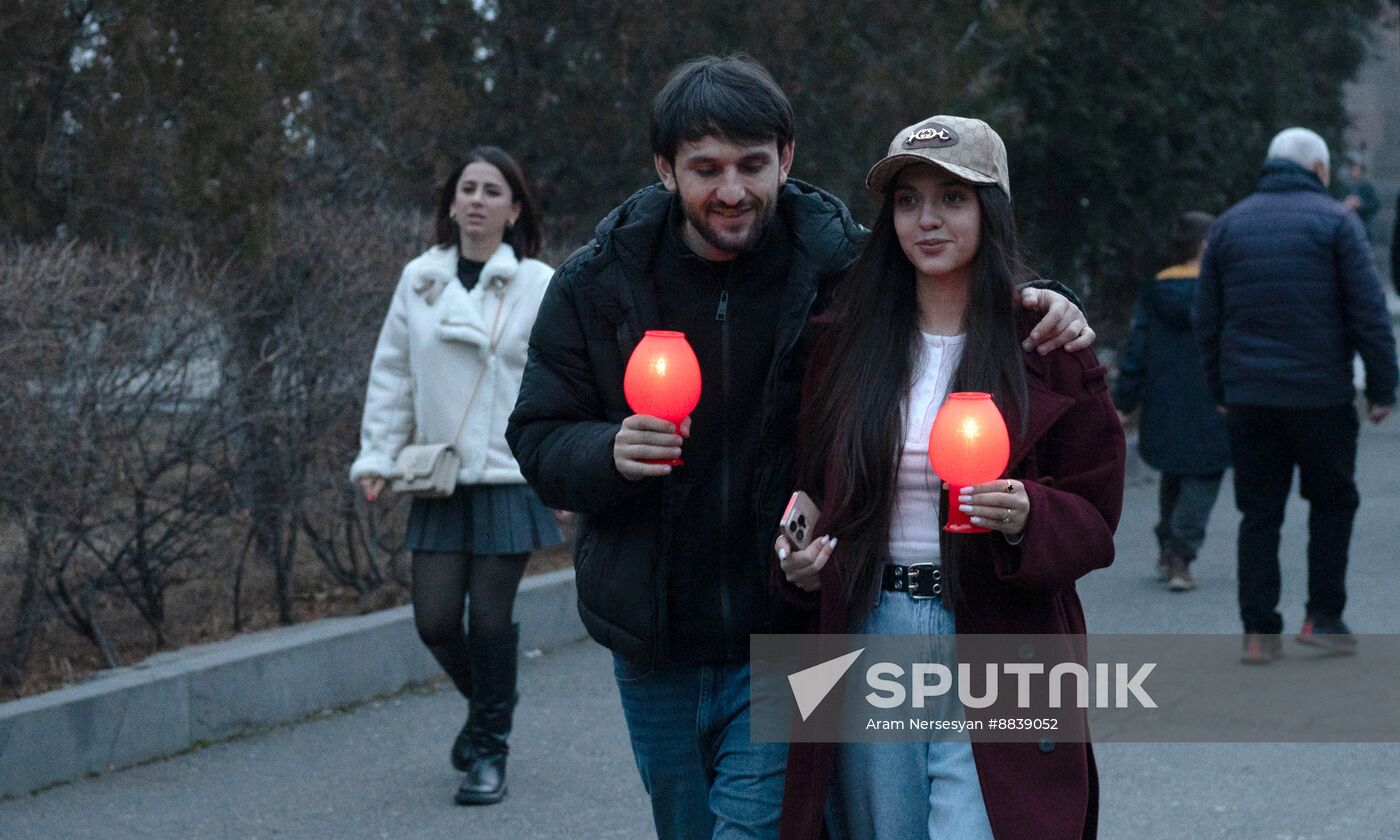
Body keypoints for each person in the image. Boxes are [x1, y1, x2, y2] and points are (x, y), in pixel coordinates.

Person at [506, 56, 1094, 840]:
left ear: (786, 157)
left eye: (753, 165)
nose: (732, 190)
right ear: (664, 169)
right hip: (656, 633)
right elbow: (537, 434)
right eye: (705, 168)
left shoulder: (835, 266)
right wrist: (607, 451)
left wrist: (1052, 302)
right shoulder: (599, 284)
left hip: (786, 630)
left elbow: (950, 266)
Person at [774, 115, 1124, 840]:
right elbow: (810, 489)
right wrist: (797, 553)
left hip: (1001, 631)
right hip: (874, 628)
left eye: (952, 198)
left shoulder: (1048, 345)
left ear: (989, 210)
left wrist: (1029, 512)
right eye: (907, 201)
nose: (927, 220)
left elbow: (1095, 520)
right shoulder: (845, 345)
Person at [350, 146, 563, 805]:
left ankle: (489, 751)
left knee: (491, 620)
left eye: (491, 190)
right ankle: (492, 706)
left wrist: (564, 461)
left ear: (514, 208)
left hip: (507, 471)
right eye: (466, 188)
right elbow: (392, 373)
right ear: (449, 204)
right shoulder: (420, 278)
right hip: (440, 476)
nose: (476, 199)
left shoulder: (538, 283)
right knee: (436, 620)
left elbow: (560, 377)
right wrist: (377, 456)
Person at [1193, 127, 1397, 664]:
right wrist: (1382, 387)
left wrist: (1220, 388)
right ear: (1321, 170)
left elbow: (1207, 319)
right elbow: (1368, 312)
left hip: (1251, 400)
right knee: (1332, 504)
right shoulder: (1338, 223)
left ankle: (1259, 634)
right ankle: (1323, 618)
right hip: (1321, 397)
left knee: (1259, 514)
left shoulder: (1229, 226)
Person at [1114, 211, 1230, 591]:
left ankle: (1167, 544)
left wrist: (1126, 399)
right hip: (1213, 399)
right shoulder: (1222, 292)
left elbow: (1137, 348)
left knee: (1173, 471)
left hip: (1163, 398)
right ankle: (1180, 552)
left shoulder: (1156, 291)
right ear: (1206, 246)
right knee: (1205, 473)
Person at [1331, 155, 1380, 238]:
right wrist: (1344, 205)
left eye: (1355, 167)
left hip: (1363, 231)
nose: (1352, 170)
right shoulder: (1338, 187)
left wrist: (1360, 204)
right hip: (1341, 232)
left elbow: (1375, 205)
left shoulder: (1366, 187)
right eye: (1350, 167)